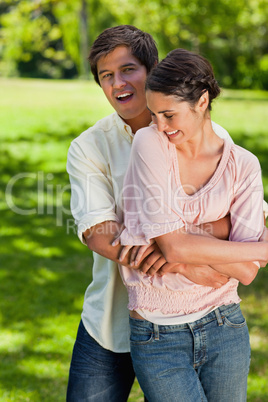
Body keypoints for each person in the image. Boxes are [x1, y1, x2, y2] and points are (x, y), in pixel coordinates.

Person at [66, 26, 264, 401]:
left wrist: (180, 241)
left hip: (203, 312)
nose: (117, 83)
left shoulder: (204, 135)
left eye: (128, 70)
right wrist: (182, 262)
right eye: (106, 76)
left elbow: (240, 223)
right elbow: (99, 231)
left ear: (152, 69)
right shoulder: (90, 146)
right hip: (112, 320)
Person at [116, 48, 268, 401]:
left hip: (224, 323)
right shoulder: (150, 143)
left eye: (169, 115)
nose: (161, 126)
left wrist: (182, 241)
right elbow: (173, 246)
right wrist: (240, 239)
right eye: (154, 115)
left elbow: (246, 271)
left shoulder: (243, 165)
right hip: (157, 332)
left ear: (202, 101)